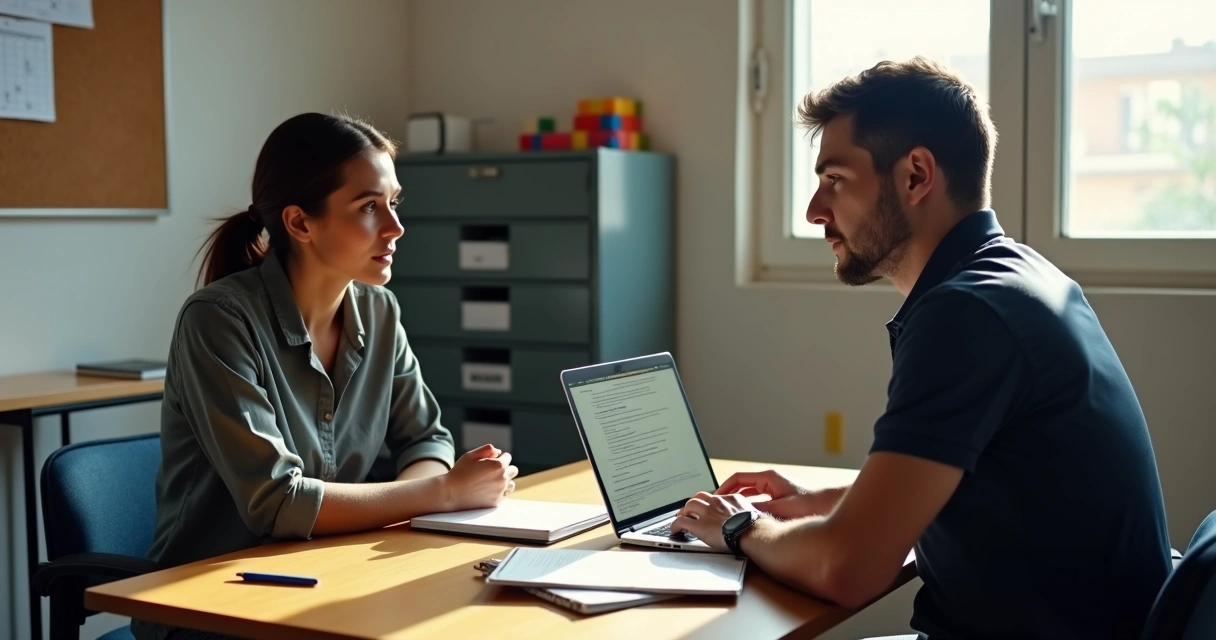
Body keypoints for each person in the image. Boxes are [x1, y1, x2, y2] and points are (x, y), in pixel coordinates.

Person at [671, 57, 1172, 640]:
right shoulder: (1018, 277)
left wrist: (738, 529)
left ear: (915, 175)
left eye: (834, 180)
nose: (814, 211)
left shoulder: (967, 313)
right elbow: (973, 481)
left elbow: (848, 569)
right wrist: (815, 501)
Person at [132, 113, 517, 640]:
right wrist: (441, 494)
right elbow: (278, 502)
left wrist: (418, 502)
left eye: (393, 202)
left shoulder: (379, 311)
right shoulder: (218, 320)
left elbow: (426, 437)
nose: (395, 227)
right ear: (299, 223)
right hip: (213, 605)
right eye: (368, 207)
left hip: (331, 576)